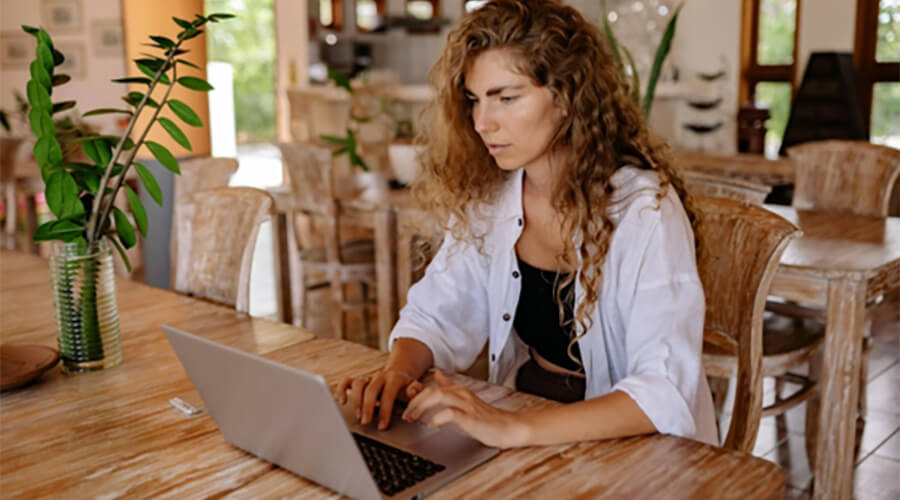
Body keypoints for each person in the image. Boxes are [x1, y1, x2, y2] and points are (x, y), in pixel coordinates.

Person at [337, 0, 718, 448]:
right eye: (475, 100)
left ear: (567, 96)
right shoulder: (494, 196)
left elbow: (664, 389)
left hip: (631, 441)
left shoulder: (643, 209)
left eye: (507, 98)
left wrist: (512, 428)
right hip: (532, 411)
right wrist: (396, 373)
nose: (482, 122)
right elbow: (437, 314)